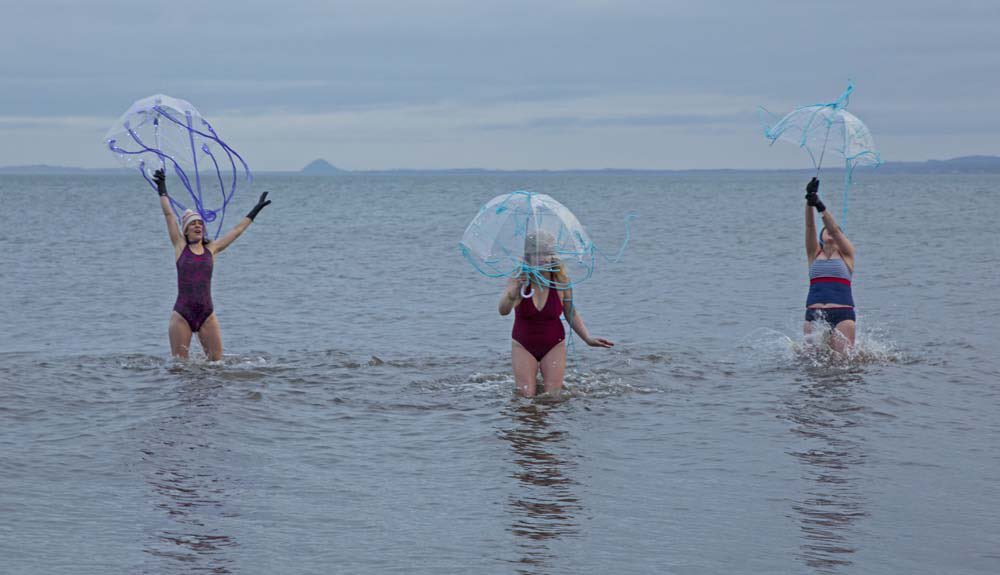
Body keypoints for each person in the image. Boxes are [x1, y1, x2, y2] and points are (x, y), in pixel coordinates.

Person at [153, 168, 271, 360]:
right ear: (185, 230)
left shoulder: (212, 249)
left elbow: (237, 230)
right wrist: (162, 189)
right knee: (179, 368)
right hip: (182, 314)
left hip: (207, 314)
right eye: (193, 224)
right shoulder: (179, 246)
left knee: (217, 366)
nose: (198, 225)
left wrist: (255, 210)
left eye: (200, 223)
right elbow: (168, 216)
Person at [498, 231, 613, 397]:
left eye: (547, 253)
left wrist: (588, 339)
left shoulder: (561, 280)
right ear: (528, 256)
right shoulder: (518, 278)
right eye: (538, 254)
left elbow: (570, 311)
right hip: (523, 344)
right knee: (525, 396)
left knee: (552, 397)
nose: (543, 258)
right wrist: (515, 289)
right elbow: (503, 310)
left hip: (554, 343)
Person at [803, 177, 856, 353]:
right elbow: (810, 226)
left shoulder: (846, 254)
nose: (832, 232)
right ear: (821, 236)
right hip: (814, 313)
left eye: (835, 231)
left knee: (842, 363)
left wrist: (820, 205)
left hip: (842, 314)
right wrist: (809, 199)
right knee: (812, 362)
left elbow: (832, 229)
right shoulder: (814, 253)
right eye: (825, 230)